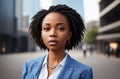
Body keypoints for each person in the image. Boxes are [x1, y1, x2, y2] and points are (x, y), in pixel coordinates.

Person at [22, 4, 93, 79]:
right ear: (41, 34)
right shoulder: (29, 66)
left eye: (60, 28)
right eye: (46, 28)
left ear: (69, 35)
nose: (52, 34)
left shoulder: (83, 72)